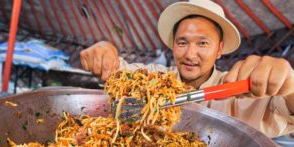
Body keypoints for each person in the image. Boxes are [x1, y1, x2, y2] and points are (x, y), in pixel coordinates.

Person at [80, 0, 294, 138]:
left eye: (202, 44)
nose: (190, 55)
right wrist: (103, 49)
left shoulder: (239, 89)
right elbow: (117, 72)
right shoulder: (153, 78)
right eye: (182, 43)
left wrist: (288, 84)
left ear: (219, 49)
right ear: (173, 45)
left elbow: (287, 107)